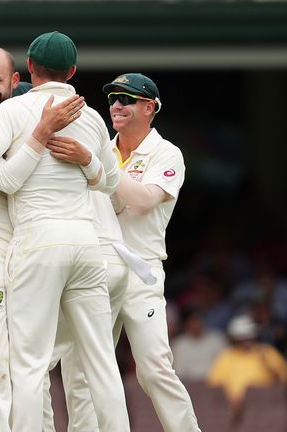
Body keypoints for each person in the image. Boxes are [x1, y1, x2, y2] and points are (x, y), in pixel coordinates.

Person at [0, 32, 129, 431]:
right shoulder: (94, 117)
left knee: (28, 364)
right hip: (86, 243)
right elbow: (110, 183)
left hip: (37, 241)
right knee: (101, 362)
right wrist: (86, 162)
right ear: (74, 71)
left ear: (26, 69)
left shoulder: (13, 112)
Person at [104, 72, 201, 431]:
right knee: (85, 366)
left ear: (150, 107)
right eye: (113, 98)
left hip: (140, 272)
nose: (116, 105)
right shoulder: (102, 147)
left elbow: (143, 201)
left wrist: (99, 166)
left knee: (153, 368)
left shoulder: (166, 152)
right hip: (97, 269)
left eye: (126, 99)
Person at [207, 314, 287, 418]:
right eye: (241, 337)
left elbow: (285, 379)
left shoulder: (267, 351)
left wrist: (266, 363)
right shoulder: (226, 356)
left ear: (253, 335)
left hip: (265, 404)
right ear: (234, 338)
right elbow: (214, 383)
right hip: (234, 408)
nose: (245, 340)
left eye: (248, 336)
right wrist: (231, 398)